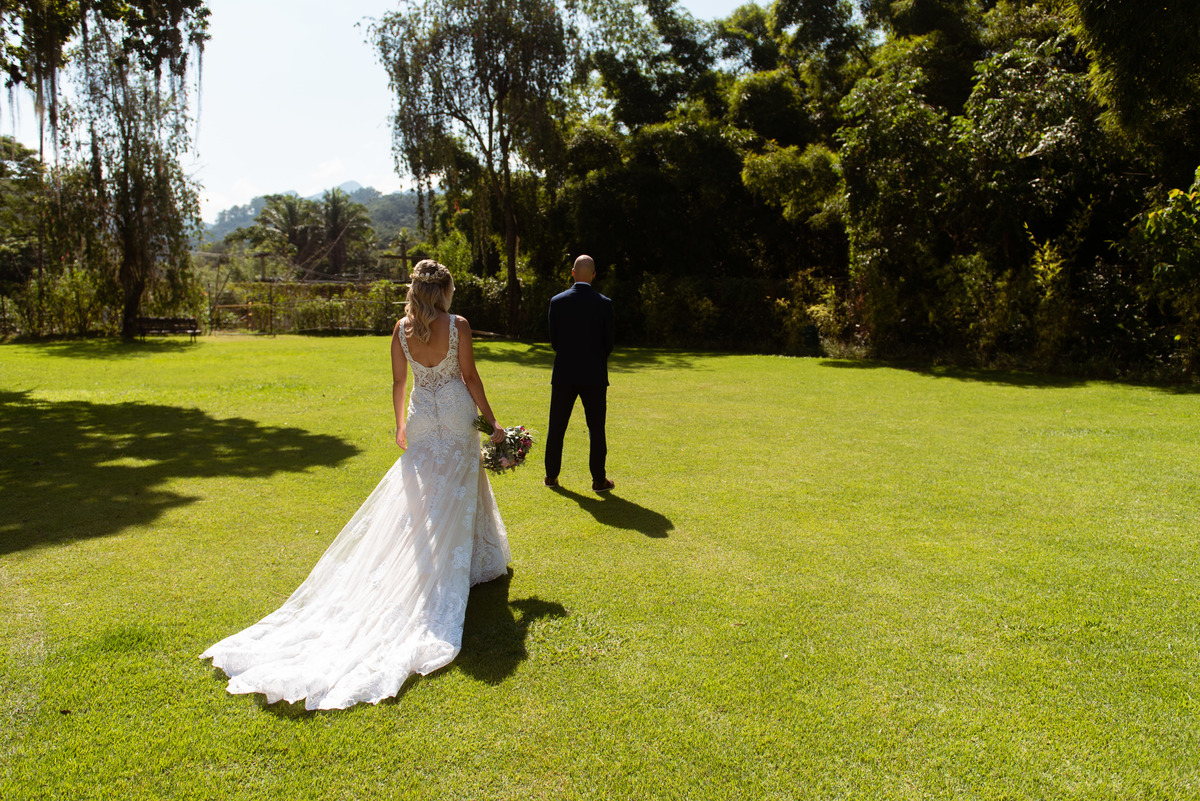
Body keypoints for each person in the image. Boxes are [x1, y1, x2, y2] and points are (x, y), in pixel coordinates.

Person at [201, 260, 511, 710]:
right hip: (457, 416)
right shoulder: (458, 325)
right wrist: (493, 420)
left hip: (424, 418)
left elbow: (399, 381)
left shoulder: (400, 330)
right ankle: (456, 568)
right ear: (443, 291)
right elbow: (470, 377)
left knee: (425, 500)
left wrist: (400, 425)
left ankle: (479, 559)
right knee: (457, 489)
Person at [544, 254, 615, 492]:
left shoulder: (557, 301)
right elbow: (609, 343)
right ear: (594, 275)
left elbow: (554, 341)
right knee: (596, 429)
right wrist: (594, 359)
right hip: (594, 374)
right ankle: (598, 479)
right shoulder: (604, 304)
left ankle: (551, 476)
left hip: (564, 373)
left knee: (557, 427)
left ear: (573, 273)